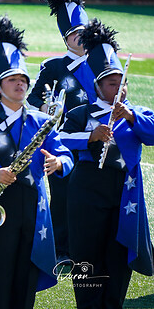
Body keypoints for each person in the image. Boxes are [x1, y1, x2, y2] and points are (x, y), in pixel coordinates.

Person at [0, 15, 74, 309]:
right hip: (1, 208)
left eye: (23, 80)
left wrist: (58, 163)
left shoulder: (42, 121)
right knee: (1, 278)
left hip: (35, 209)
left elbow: (66, 155)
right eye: (12, 80)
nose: (20, 84)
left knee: (26, 281)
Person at [59, 19, 154, 308]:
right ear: (98, 86)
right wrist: (91, 136)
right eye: (112, 83)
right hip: (87, 189)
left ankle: (113, 303)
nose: (119, 88)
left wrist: (130, 117)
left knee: (118, 252)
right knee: (86, 252)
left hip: (125, 191)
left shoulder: (136, 113)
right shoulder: (81, 113)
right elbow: (60, 138)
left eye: (122, 83)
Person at [27, 0, 96, 262]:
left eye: (84, 32)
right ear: (65, 38)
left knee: (94, 196)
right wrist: (48, 107)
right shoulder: (54, 66)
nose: (80, 38)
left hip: (97, 140)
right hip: (64, 142)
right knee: (64, 196)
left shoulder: (102, 63)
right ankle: (62, 250)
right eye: (74, 34)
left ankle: (90, 248)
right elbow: (32, 100)